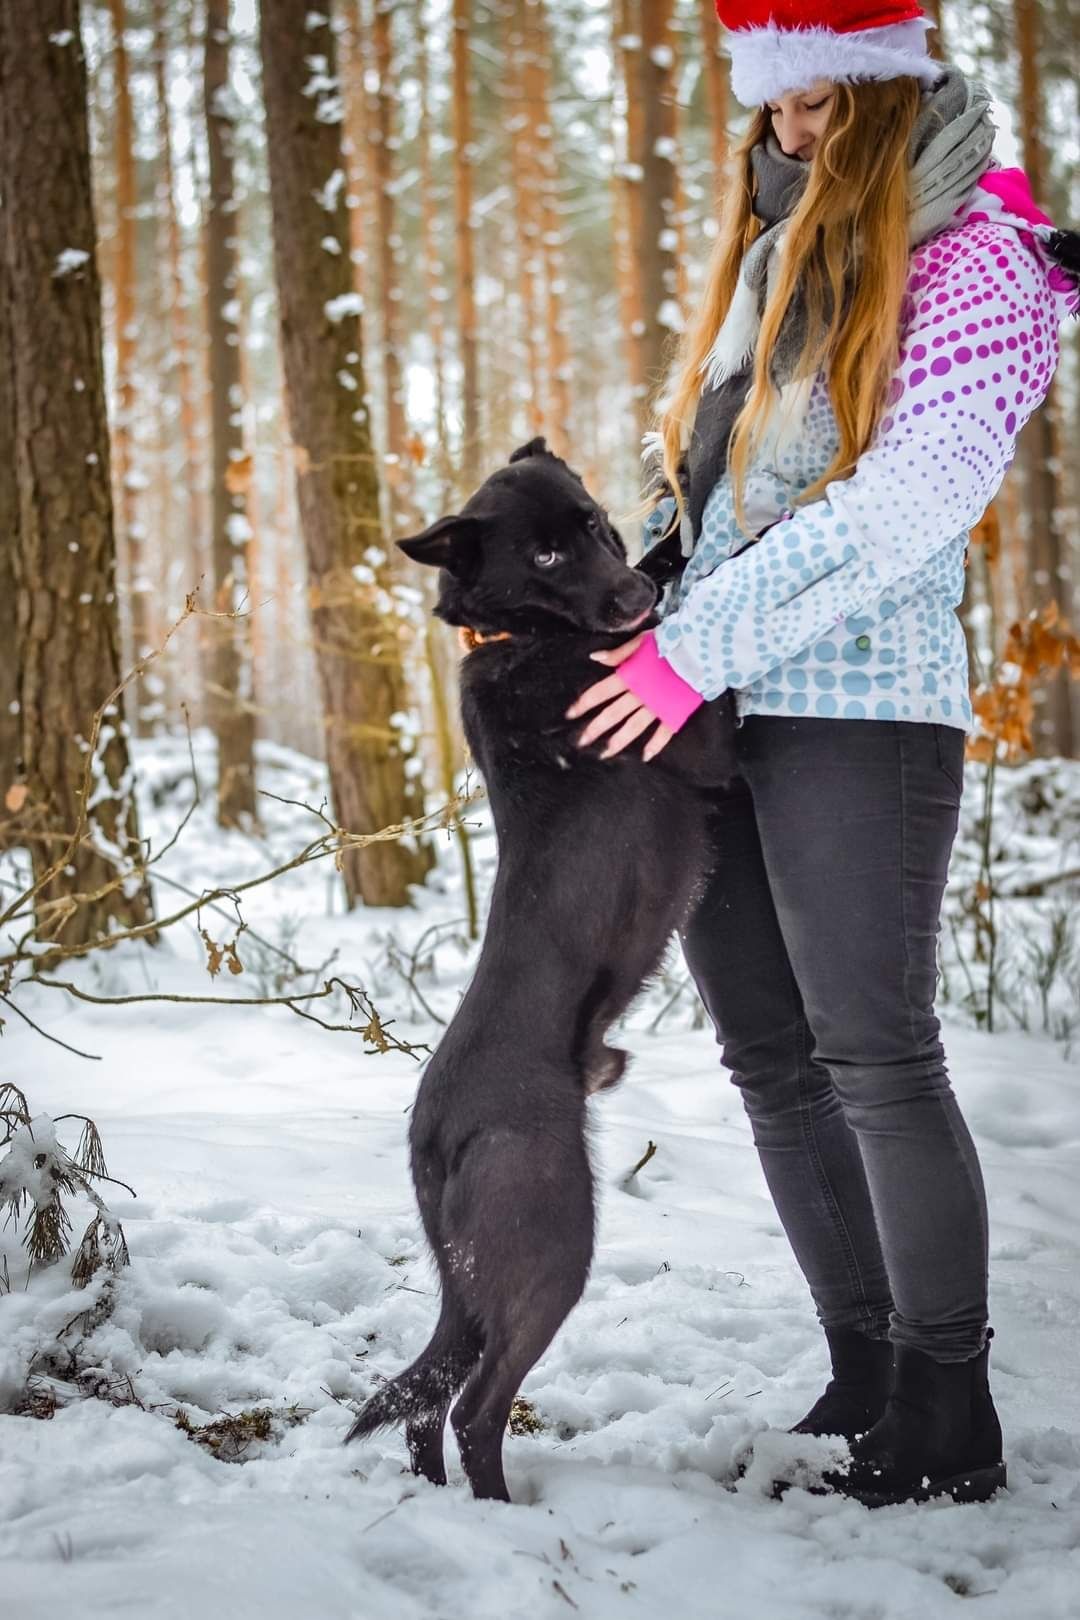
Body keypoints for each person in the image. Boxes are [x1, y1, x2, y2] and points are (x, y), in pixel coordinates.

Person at [566, 0, 1078, 1507]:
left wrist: (692, 650)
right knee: (775, 1063)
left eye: (824, 105)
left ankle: (947, 1406)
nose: (793, 134)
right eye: (777, 108)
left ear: (887, 90)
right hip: (715, 714)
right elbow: (719, 504)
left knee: (876, 1057)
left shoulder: (980, 265)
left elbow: (912, 500)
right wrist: (613, 617)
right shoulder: (775, 262)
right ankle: (863, 1370)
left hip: (863, 707)